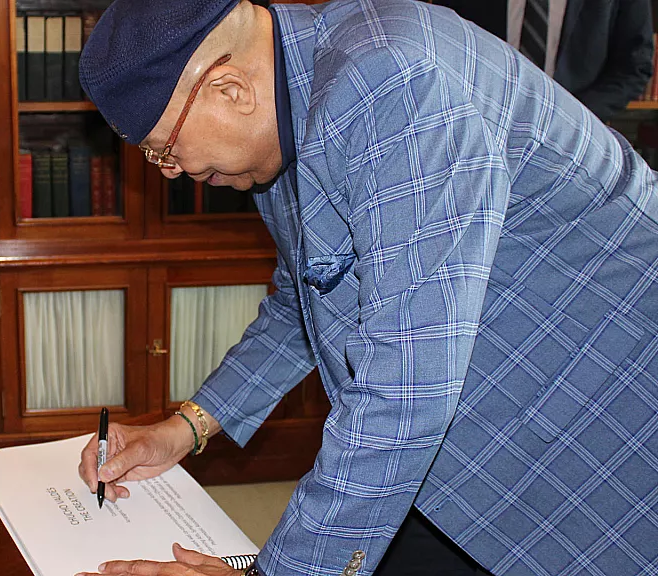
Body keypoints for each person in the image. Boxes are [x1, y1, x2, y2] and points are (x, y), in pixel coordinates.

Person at [75, 0, 658, 574]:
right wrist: (184, 430)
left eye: (164, 149)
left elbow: (404, 391)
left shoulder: (392, 82)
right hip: (470, 423)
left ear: (229, 89)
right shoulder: (286, 107)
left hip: (599, 417)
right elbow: (307, 296)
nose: (174, 172)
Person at [432, 0, 653, 122]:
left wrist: (570, 118)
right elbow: (442, 53)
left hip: (576, 142)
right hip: (480, 134)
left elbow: (633, 67)